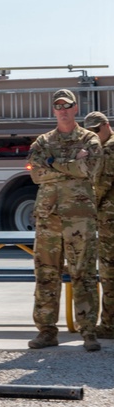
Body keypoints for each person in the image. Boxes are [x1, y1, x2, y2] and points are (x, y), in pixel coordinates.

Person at [27, 90, 103, 352]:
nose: (62, 110)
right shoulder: (42, 141)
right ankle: (47, 331)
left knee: (84, 274)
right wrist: (69, 164)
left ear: (75, 108)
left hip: (79, 219)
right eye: (58, 106)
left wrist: (52, 165)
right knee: (46, 274)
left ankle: (89, 332)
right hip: (48, 217)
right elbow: (36, 174)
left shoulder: (89, 139)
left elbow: (88, 169)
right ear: (54, 110)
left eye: (67, 106)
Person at [86, 111, 114, 339]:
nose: (95, 135)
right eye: (91, 131)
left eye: (97, 129)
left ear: (107, 125)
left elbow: (102, 185)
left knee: (109, 273)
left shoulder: (108, 150)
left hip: (109, 223)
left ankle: (108, 325)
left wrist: (86, 211)